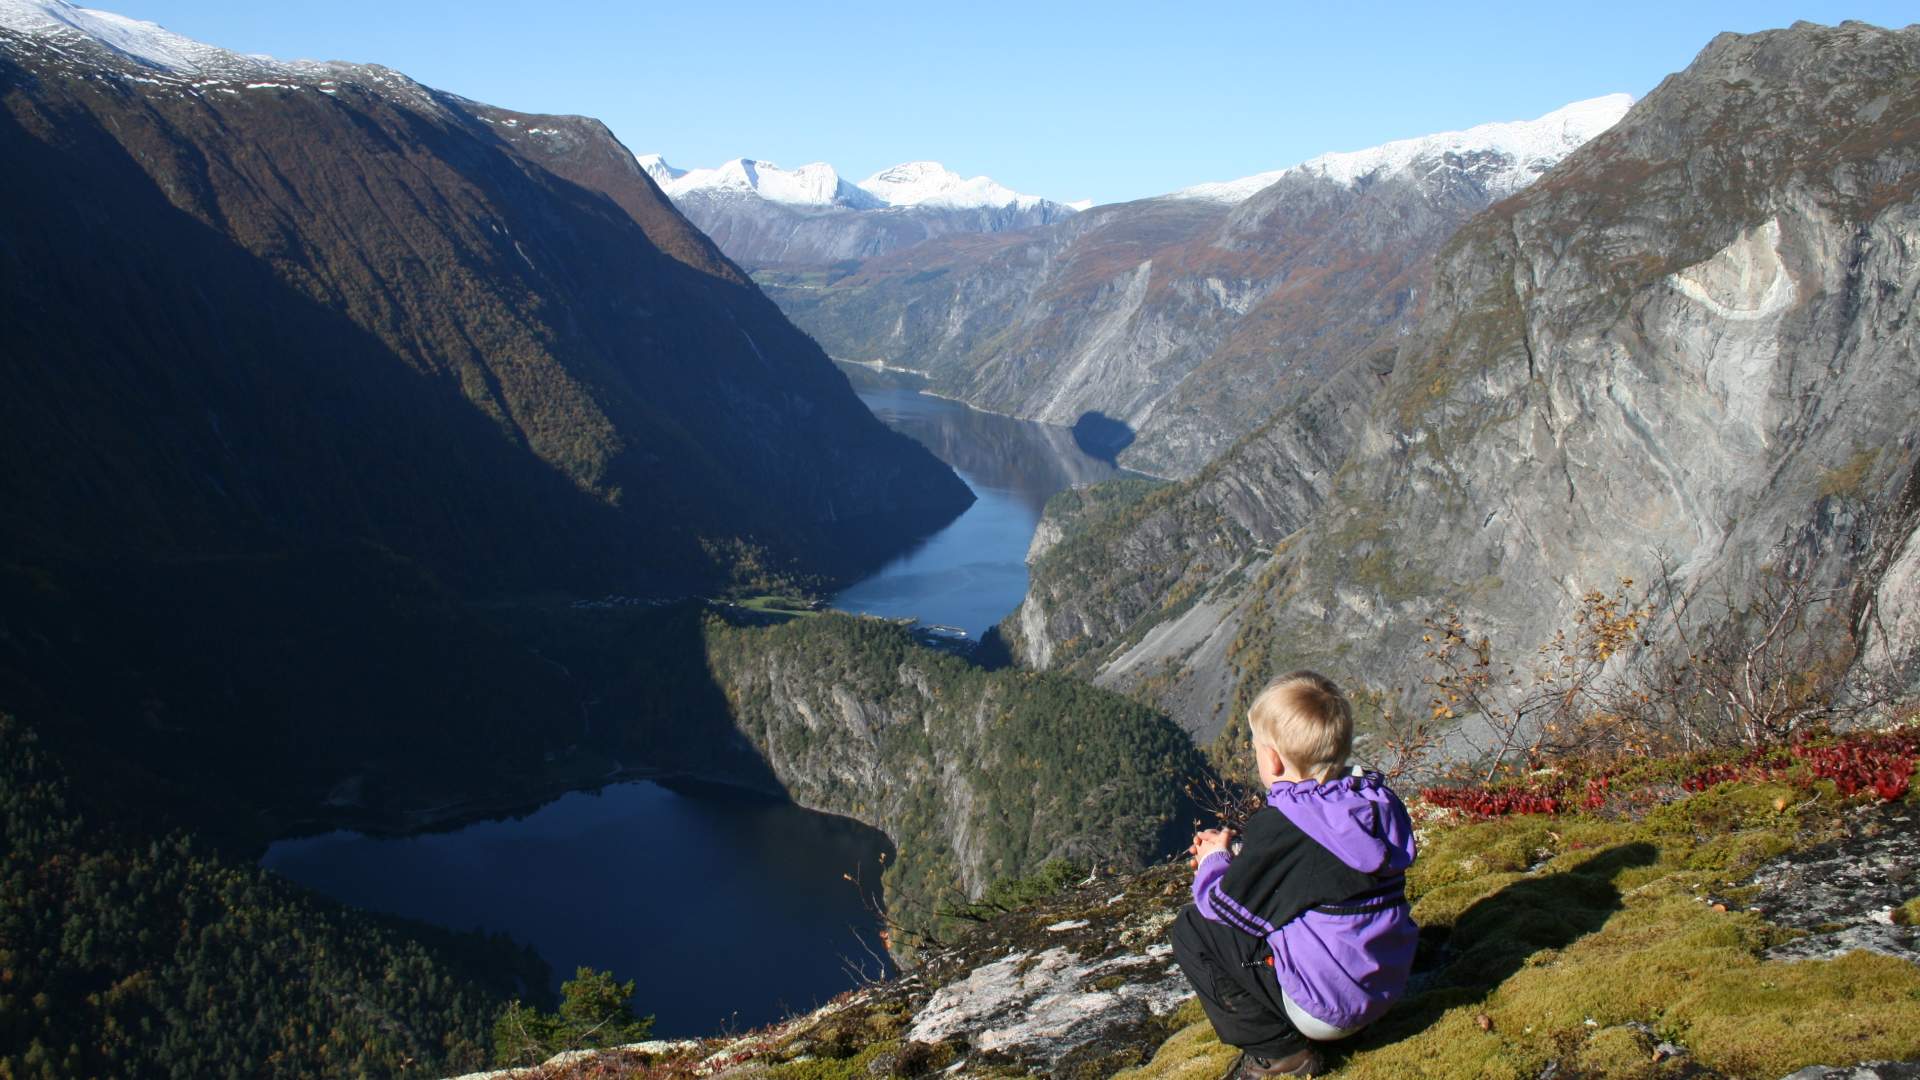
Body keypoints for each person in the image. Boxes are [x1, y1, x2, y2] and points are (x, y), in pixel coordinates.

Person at [1171, 671, 1419, 1079]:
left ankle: (1281, 1053)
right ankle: (1343, 1027)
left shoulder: (1288, 827)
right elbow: (1315, 876)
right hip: (1384, 988)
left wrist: (1216, 860)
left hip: (1327, 1009)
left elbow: (1219, 905)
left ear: (1271, 759)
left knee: (1194, 929)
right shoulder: (1374, 803)